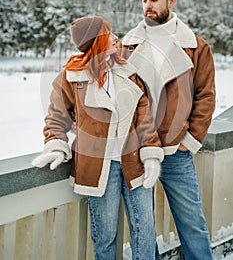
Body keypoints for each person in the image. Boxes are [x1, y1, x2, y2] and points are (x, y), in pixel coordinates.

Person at [32, 16, 165, 260]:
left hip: (133, 164)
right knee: (105, 236)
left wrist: (152, 155)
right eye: (109, 34)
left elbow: (144, 120)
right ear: (95, 41)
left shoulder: (128, 73)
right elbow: (56, 117)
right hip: (97, 168)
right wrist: (55, 146)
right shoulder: (71, 78)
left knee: (144, 230)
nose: (116, 38)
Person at [119, 0, 215, 260]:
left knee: (192, 223)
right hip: (137, 149)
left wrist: (190, 139)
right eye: (144, 1)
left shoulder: (196, 46)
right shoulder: (127, 44)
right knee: (142, 228)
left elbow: (206, 96)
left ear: (171, 0)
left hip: (176, 149)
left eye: (154, 0)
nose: (147, 6)